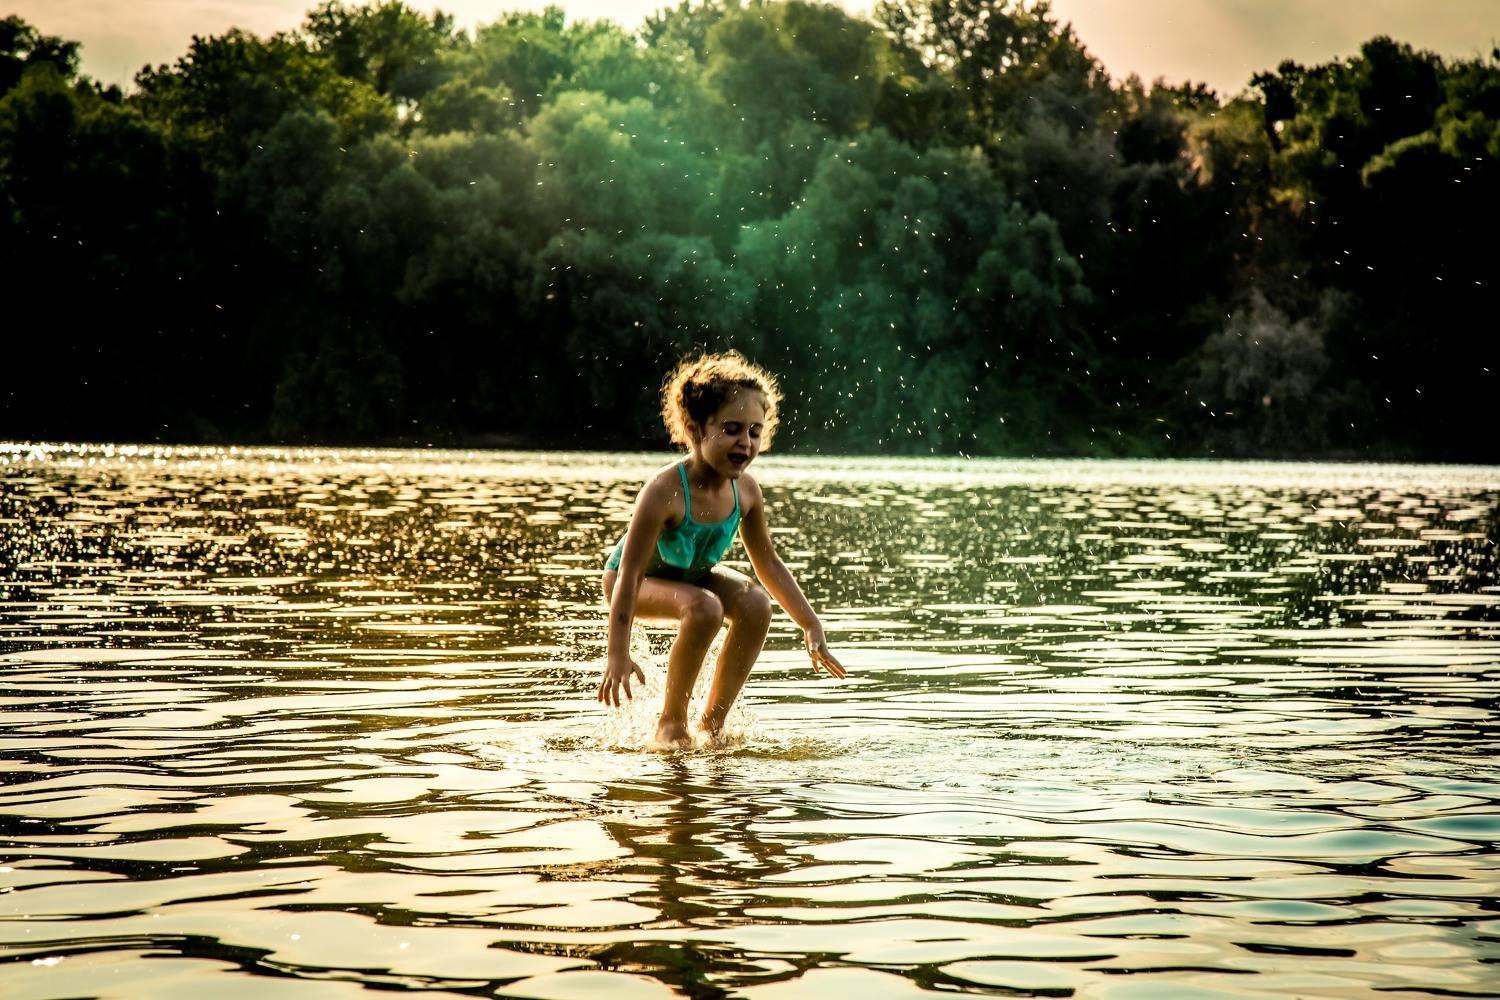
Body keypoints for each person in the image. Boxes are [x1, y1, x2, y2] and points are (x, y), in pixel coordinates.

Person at [598, 351, 846, 749]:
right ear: (696, 429)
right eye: (732, 429)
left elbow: (767, 562)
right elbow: (629, 574)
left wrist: (810, 623)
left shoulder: (745, 491)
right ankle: (672, 724)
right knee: (705, 608)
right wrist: (617, 654)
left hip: (692, 576)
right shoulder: (664, 491)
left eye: (754, 432)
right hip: (633, 583)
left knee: (756, 605)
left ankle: (712, 726)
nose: (745, 442)